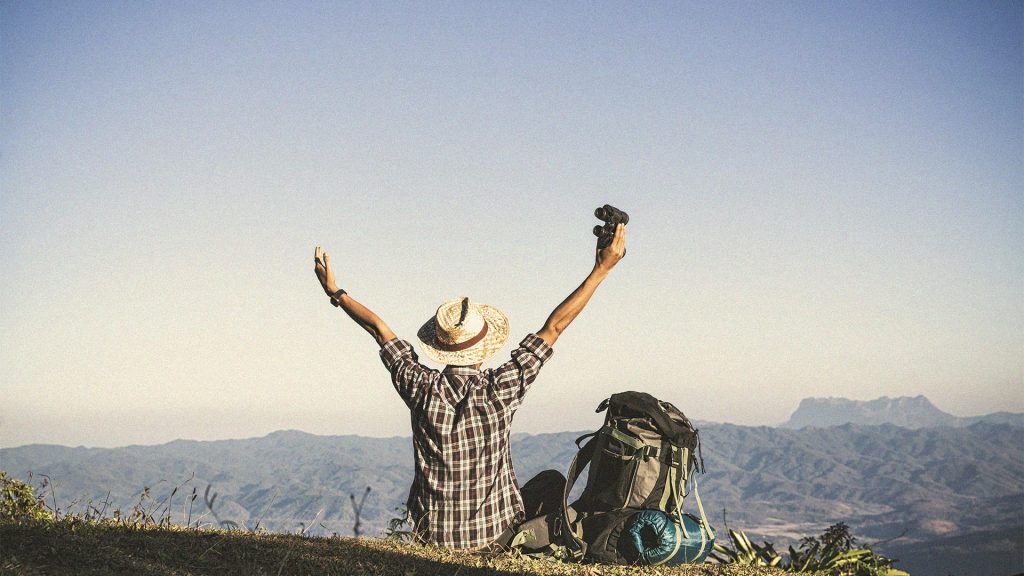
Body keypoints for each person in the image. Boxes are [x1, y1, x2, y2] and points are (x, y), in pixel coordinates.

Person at [312, 223, 626, 549]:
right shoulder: (502, 388)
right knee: (552, 483)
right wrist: (601, 269)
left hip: (431, 536)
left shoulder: (419, 385)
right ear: (485, 344)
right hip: (495, 537)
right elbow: (556, 326)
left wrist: (335, 292)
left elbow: (378, 329)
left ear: (441, 345)